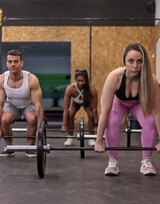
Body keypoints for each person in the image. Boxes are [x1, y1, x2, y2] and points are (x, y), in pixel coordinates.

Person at [94, 43, 160, 176]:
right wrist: (98, 141)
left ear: (144, 62)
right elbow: (105, 112)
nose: (135, 66)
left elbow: (158, 112)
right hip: (118, 103)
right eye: (131, 61)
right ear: (124, 61)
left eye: (139, 61)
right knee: (112, 121)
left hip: (138, 104)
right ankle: (113, 160)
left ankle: (146, 160)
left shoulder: (150, 80)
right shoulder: (114, 77)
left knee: (150, 122)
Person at [0, 49, 43, 158]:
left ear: (21, 63)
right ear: (6, 63)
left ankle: (29, 148)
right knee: (4, 120)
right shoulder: (2, 79)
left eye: (16, 61)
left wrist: (39, 129)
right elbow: (0, 104)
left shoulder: (31, 79)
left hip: (27, 104)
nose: (12, 64)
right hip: (11, 104)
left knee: (32, 119)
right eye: (10, 62)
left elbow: (38, 105)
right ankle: (9, 148)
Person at [61, 69, 98, 146]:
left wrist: (96, 125)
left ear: (86, 80)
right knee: (70, 114)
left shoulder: (92, 89)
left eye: (82, 81)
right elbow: (66, 109)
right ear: (75, 80)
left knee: (91, 114)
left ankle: (91, 138)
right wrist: (64, 125)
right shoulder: (70, 89)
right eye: (78, 81)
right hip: (75, 102)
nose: (80, 83)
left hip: (86, 102)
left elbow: (94, 109)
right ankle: (70, 137)